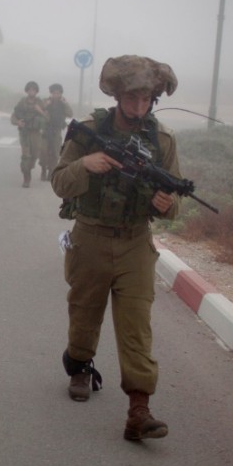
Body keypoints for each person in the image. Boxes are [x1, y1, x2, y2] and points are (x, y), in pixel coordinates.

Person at [50, 55, 181, 441]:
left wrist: (168, 204)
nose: (139, 108)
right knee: (85, 312)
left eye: (146, 100)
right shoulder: (88, 131)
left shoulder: (162, 141)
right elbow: (59, 182)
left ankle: (139, 410)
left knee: (136, 326)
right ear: (118, 95)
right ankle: (79, 365)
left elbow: (175, 201)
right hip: (90, 236)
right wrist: (85, 164)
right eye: (132, 99)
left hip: (135, 242)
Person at [10, 81, 47, 187]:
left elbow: (48, 118)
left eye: (34, 90)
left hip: (36, 134)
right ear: (27, 91)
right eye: (30, 90)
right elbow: (13, 116)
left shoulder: (40, 103)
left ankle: (28, 169)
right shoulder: (22, 102)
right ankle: (26, 178)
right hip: (25, 133)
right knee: (26, 156)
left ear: (36, 91)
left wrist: (40, 111)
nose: (32, 92)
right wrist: (18, 122)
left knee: (34, 155)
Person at [39, 83, 73, 181]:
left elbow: (70, 114)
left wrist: (65, 103)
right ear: (51, 93)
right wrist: (46, 105)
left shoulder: (63, 103)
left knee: (55, 152)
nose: (56, 95)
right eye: (54, 93)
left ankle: (51, 171)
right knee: (43, 151)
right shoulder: (46, 101)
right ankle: (43, 169)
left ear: (60, 94)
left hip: (56, 131)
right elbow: (38, 110)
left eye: (58, 93)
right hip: (46, 130)